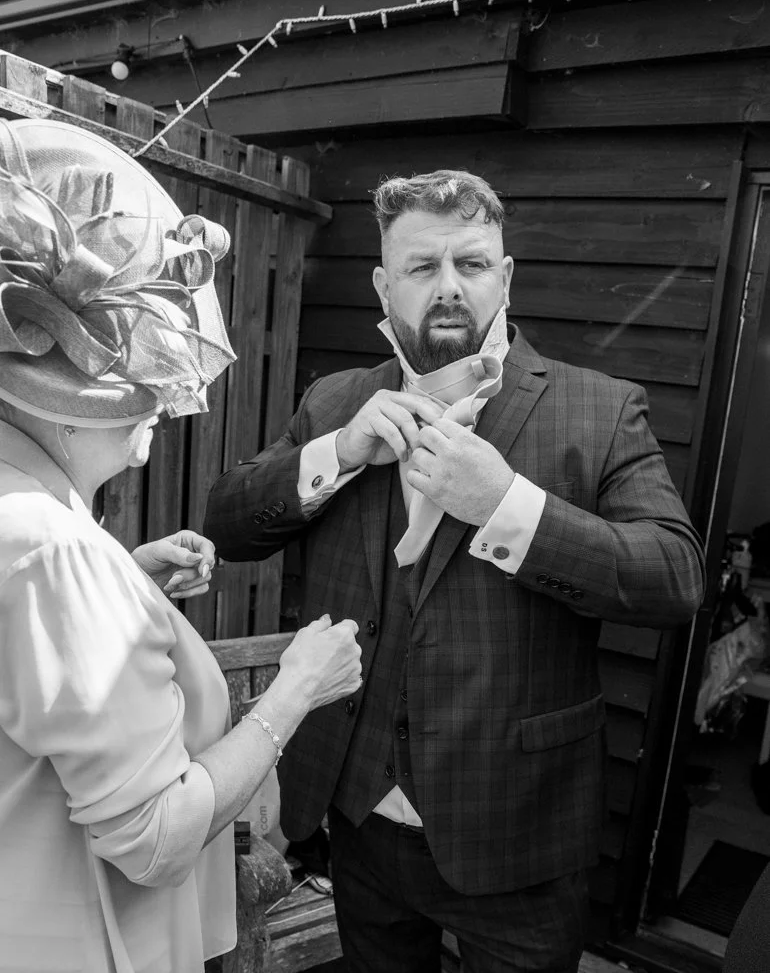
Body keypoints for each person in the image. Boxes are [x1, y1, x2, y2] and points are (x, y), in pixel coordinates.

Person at [204, 169, 706, 973]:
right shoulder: (337, 403)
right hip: (358, 819)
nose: (447, 288)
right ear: (383, 283)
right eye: (421, 268)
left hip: (516, 836)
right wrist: (336, 453)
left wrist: (507, 503)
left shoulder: (601, 409)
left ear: (503, 277)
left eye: (470, 265)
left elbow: (674, 578)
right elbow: (229, 523)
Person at [0, 118, 361, 973]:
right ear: (57, 385)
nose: (165, 394)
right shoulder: (51, 547)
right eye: (144, 357)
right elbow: (155, 839)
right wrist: (294, 694)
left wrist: (122, 580)